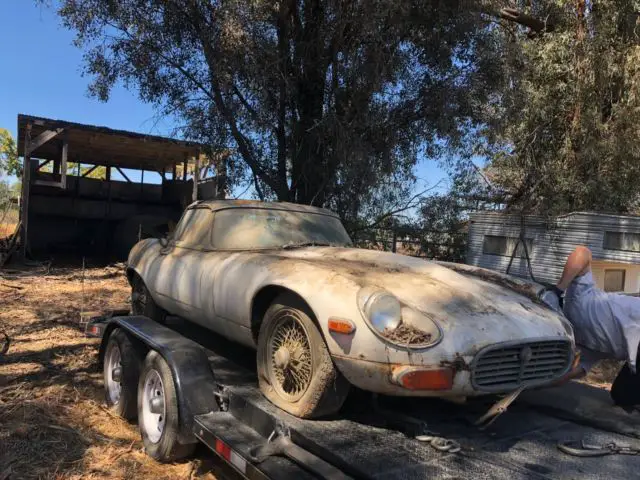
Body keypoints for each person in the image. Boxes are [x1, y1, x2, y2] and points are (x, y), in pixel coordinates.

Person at [548, 246, 640, 407]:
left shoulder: (578, 304)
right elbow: (580, 368)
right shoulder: (583, 343)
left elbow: (582, 253)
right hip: (635, 356)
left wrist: (558, 289)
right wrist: (545, 381)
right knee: (622, 396)